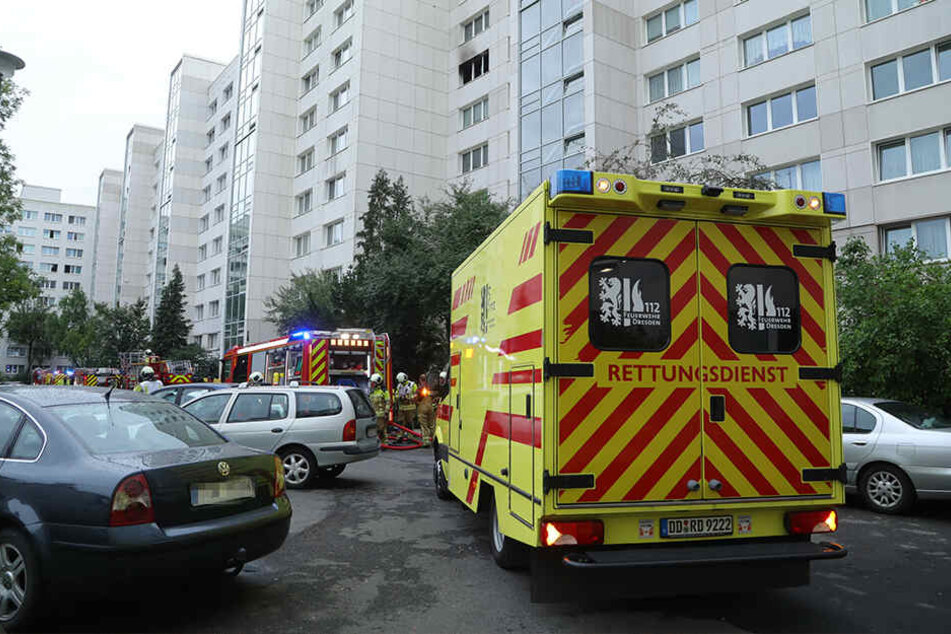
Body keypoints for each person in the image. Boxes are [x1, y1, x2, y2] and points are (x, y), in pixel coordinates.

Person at [368, 373, 391, 445]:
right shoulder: (372, 392)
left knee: (382, 429)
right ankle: (380, 442)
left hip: (382, 414)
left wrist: (386, 412)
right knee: (376, 429)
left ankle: (385, 443)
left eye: (373, 383)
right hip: (374, 415)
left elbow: (388, 402)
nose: (372, 384)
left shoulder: (384, 392)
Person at [416, 374, 435, 447]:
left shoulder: (420, 388)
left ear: (420, 380)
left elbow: (416, 398)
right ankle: (433, 439)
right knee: (431, 424)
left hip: (423, 407)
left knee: (424, 424)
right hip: (430, 407)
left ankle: (426, 441)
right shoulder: (429, 387)